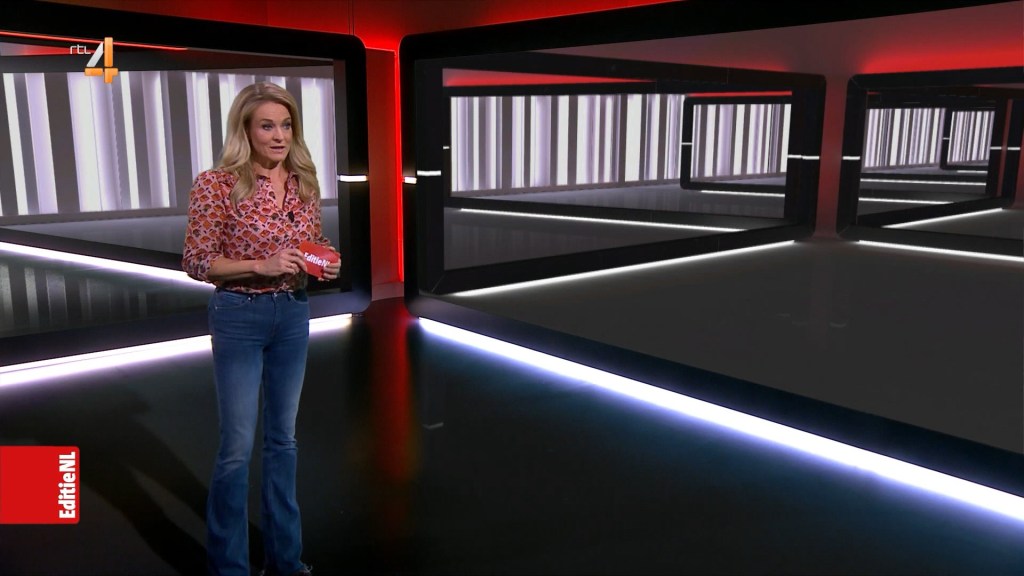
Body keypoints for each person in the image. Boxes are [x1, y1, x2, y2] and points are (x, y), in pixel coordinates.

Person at [182, 81, 340, 576]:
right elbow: (196, 260)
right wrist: (260, 265)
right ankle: (228, 566)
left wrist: (324, 259)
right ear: (246, 131)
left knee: (283, 441)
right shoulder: (216, 184)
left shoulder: (303, 182)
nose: (279, 136)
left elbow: (311, 241)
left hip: (293, 312)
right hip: (239, 315)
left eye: (286, 125)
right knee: (236, 449)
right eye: (267, 126)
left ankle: (285, 560)